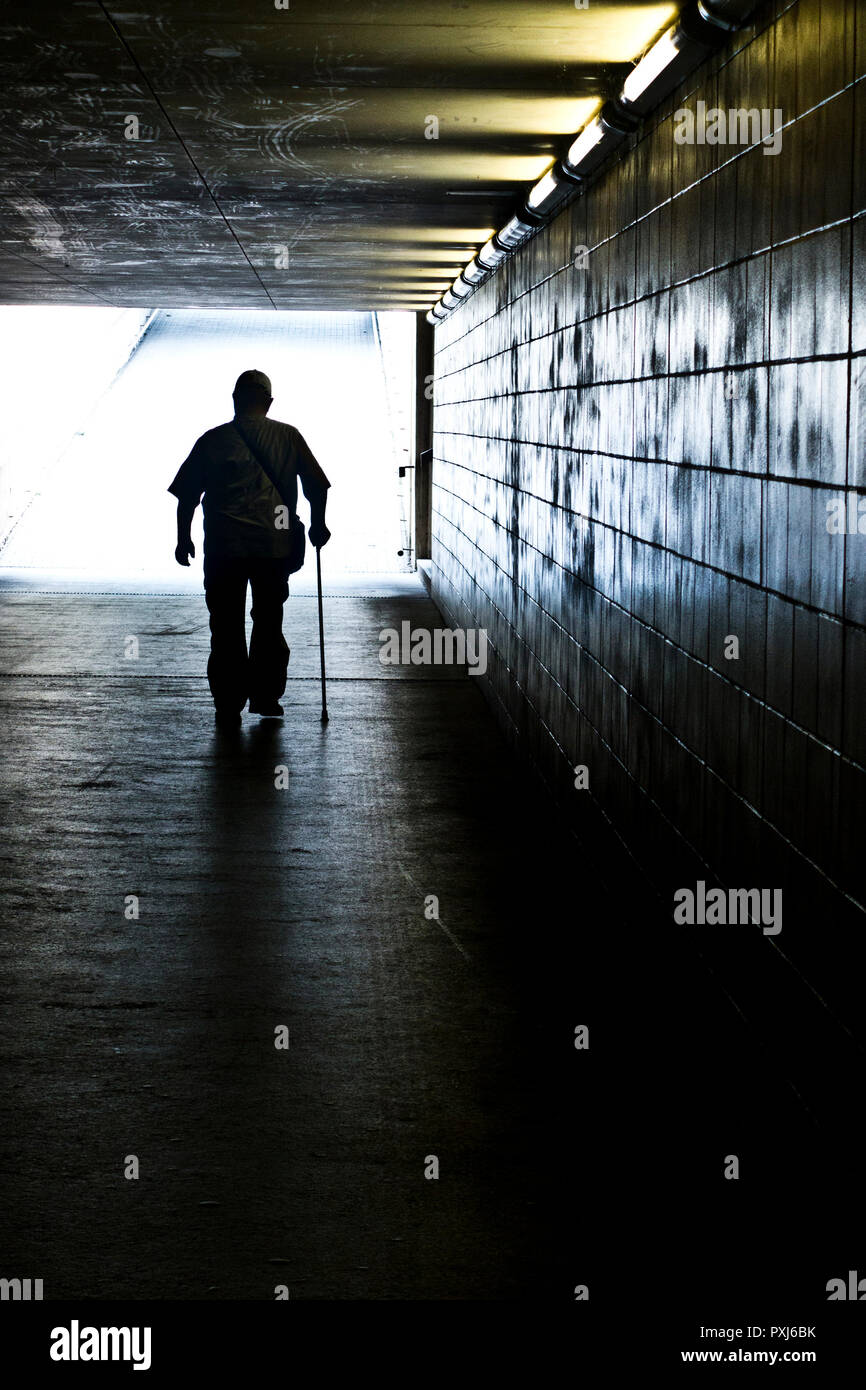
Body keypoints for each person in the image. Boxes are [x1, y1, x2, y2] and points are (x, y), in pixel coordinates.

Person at [168, 369, 331, 727]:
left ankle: (228, 702)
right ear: (269, 403)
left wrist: (183, 537)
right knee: (269, 621)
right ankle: (266, 696)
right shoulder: (289, 436)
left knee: (225, 626)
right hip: (274, 543)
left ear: (234, 399)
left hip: (225, 547)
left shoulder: (213, 440)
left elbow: (187, 495)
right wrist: (318, 524)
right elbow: (316, 485)